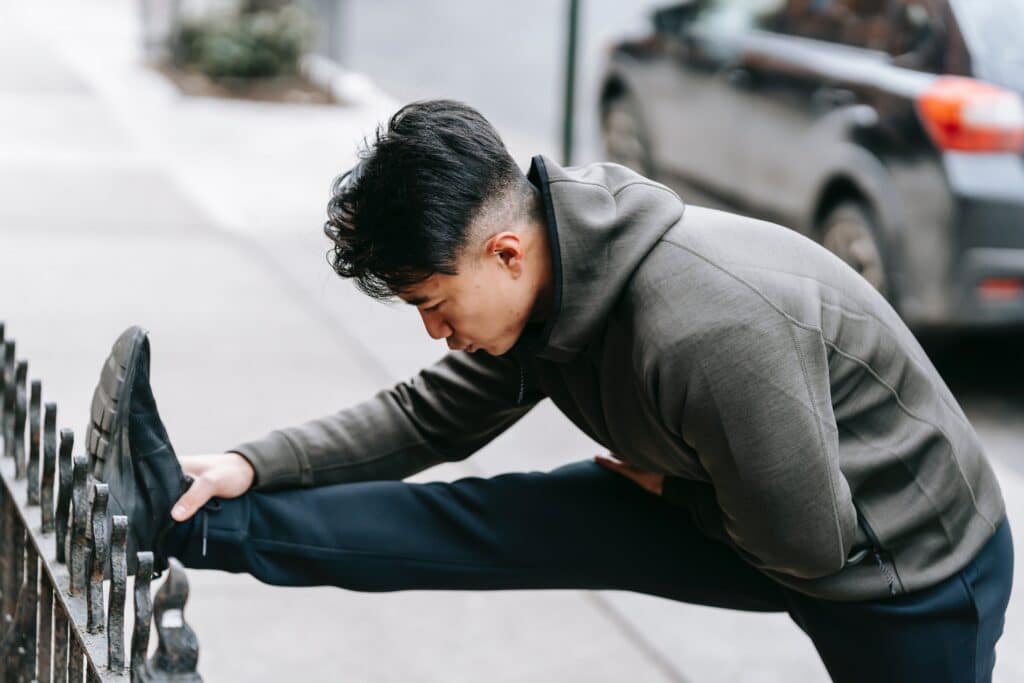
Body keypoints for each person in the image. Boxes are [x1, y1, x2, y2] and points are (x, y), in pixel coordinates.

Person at [92, 99, 1012, 682]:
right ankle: (183, 517)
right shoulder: (552, 281)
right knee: (494, 520)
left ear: (505, 251)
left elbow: (809, 545)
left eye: (434, 302)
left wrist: (676, 489)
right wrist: (250, 464)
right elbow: (425, 418)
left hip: (898, 571)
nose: (434, 329)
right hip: (746, 500)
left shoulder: (709, 331)